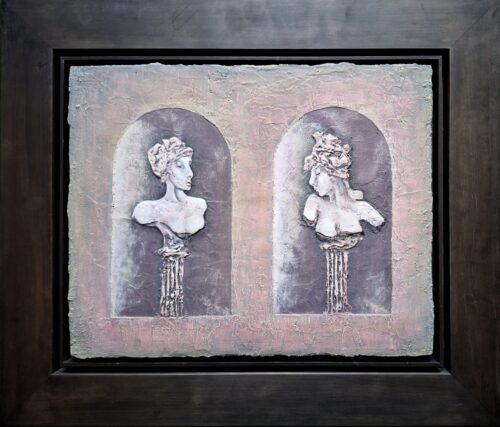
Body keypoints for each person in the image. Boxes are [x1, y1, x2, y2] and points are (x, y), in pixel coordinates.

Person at [303, 131, 384, 249]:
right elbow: (309, 217)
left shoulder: (363, 209)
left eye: (318, 173)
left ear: (335, 176)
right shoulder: (314, 203)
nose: (311, 181)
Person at [132, 136, 207, 252]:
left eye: (189, 164)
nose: (190, 173)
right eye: (179, 166)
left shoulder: (199, 206)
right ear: (165, 169)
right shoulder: (146, 210)